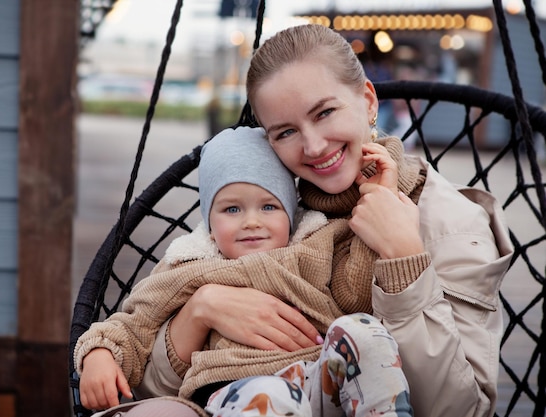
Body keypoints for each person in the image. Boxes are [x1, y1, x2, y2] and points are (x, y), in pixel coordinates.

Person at [137, 24, 513, 417]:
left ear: (368, 101)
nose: (313, 146)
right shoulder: (268, 210)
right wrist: (202, 309)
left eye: (326, 112)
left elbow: (460, 411)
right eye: (286, 132)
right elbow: (142, 388)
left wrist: (404, 260)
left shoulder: (450, 223)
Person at [75, 125, 413, 416]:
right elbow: (135, 324)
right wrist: (101, 353)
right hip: (233, 390)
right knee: (272, 396)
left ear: (291, 216)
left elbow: (356, 294)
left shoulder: (314, 246)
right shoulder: (190, 265)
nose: (251, 221)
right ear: (209, 225)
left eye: (269, 206)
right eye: (232, 208)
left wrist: (379, 200)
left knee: (363, 330)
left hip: (316, 381)